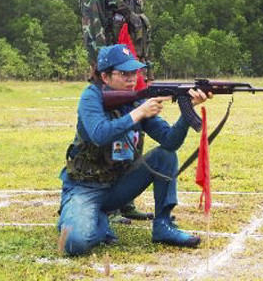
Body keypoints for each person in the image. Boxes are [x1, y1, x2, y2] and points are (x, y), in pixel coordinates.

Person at [58, 45, 210, 256]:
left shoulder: (136, 101)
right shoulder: (91, 97)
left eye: (134, 72)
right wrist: (138, 113)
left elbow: (170, 142)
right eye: (124, 73)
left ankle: (163, 226)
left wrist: (187, 110)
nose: (132, 78)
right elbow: (99, 134)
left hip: (119, 186)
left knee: (164, 156)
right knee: (74, 243)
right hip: (86, 186)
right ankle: (98, 220)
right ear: (105, 76)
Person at [80, 0, 152, 221]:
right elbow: (93, 32)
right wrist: (105, 78)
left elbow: (138, 30)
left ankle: (127, 199)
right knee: (110, 135)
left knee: (136, 133)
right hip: (110, 76)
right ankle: (105, 198)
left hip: (134, 71)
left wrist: (143, 71)